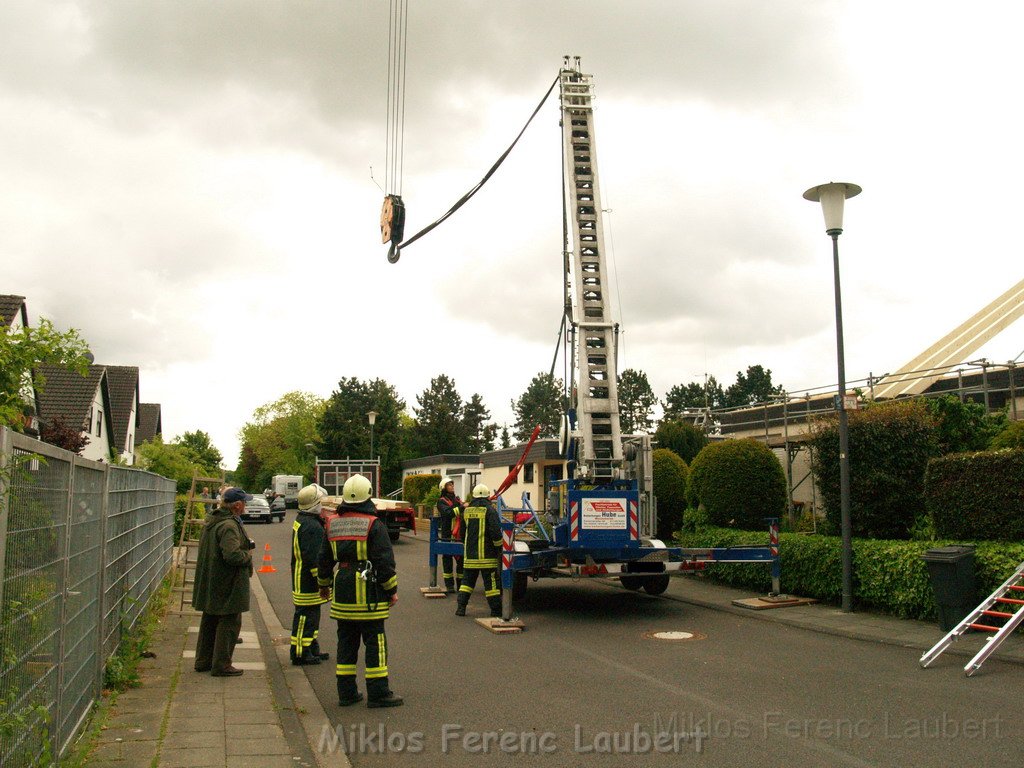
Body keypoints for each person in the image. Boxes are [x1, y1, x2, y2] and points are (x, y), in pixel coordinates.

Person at [318, 474, 403, 708]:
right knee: (375, 643)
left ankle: (346, 693)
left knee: (346, 643)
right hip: (369, 593)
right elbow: (384, 562)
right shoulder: (374, 525)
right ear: (368, 496)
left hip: (342, 589)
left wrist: (324, 585)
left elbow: (324, 560)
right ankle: (378, 693)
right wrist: (391, 590)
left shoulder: (332, 523)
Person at [191, 487, 255, 676]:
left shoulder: (212, 521)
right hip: (227, 581)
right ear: (236, 506)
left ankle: (203, 661)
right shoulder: (228, 525)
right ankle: (222, 664)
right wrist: (248, 555)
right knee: (229, 621)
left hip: (212, 577)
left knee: (209, 619)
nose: (245, 506)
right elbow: (232, 555)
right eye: (244, 502)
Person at [290, 484, 332, 665]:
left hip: (303, 579)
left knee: (312, 617)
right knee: (304, 618)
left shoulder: (304, 520)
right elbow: (315, 559)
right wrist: (323, 582)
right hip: (307, 582)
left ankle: (311, 647)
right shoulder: (312, 527)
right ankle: (300, 652)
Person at [455, 484, 503, 618]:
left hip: (470, 557)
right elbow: (495, 532)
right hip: (487, 557)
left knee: (466, 583)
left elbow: (463, 533)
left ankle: (461, 608)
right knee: (491, 585)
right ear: (488, 496)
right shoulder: (490, 511)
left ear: (474, 496)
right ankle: (495, 611)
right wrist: (499, 547)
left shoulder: (466, 511)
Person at [436, 476, 465, 594]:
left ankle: (461, 585)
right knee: (447, 561)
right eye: (449, 485)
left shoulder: (457, 500)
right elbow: (448, 513)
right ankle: (449, 586)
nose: (452, 486)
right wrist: (462, 507)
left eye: (452, 484)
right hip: (447, 535)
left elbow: (461, 508)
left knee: (461, 561)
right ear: (444, 488)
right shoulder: (441, 501)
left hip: (458, 535)